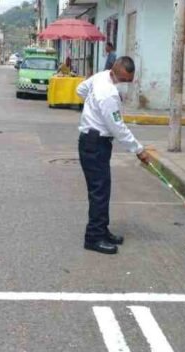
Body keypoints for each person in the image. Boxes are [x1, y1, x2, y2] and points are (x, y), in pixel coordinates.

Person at [76, 56, 151, 255]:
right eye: (125, 80)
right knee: (99, 192)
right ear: (116, 73)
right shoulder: (108, 94)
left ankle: (102, 230)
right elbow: (118, 127)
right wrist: (138, 150)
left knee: (102, 190)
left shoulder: (101, 76)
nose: (127, 83)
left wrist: (92, 109)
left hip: (93, 140)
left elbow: (80, 90)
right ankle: (93, 238)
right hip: (95, 143)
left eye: (130, 80)